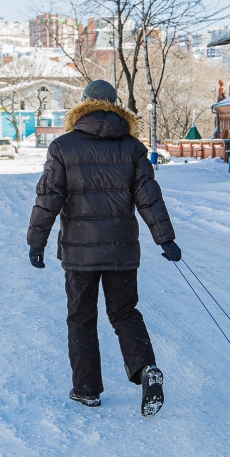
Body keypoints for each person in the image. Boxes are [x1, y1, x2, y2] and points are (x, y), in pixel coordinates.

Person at [26, 79, 181, 417]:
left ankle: (87, 390)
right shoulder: (132, 147)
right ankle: (146, 369)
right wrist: (165, 238)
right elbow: (149, 197)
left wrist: (36, 242)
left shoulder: (63, 146)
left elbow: (48, 198)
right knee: (125, 313)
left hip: (79, 254)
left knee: (81, 318)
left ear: (82, 104)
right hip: (122, 251)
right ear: (116, 105)